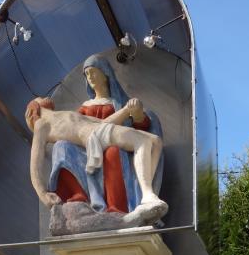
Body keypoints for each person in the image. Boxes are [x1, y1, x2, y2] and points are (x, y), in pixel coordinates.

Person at [41, 55, 165, 218]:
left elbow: (140, 127)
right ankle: (78, 196)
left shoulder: (120, 102)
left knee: (113, 151)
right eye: (87, 74)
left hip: (115, 147)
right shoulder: (84, 108)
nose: (90, 77)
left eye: (93, 72)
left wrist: (137, 114)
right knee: (61, 146)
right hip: (87, 149)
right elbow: (76, 129)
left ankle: (117, 207)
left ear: (105, 74)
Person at [25, 95, 167, 226]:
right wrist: (42, 194)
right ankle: (147, 195)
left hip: (101, 129)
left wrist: (126, 110)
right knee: (142, 142)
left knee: (156, 141)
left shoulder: (63, 114)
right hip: (94, 136)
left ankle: (145, 195)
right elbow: (35, 162)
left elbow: (103, 122)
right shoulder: (41, 124)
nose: (44, 97)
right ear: (33, 108)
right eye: (40, 98)